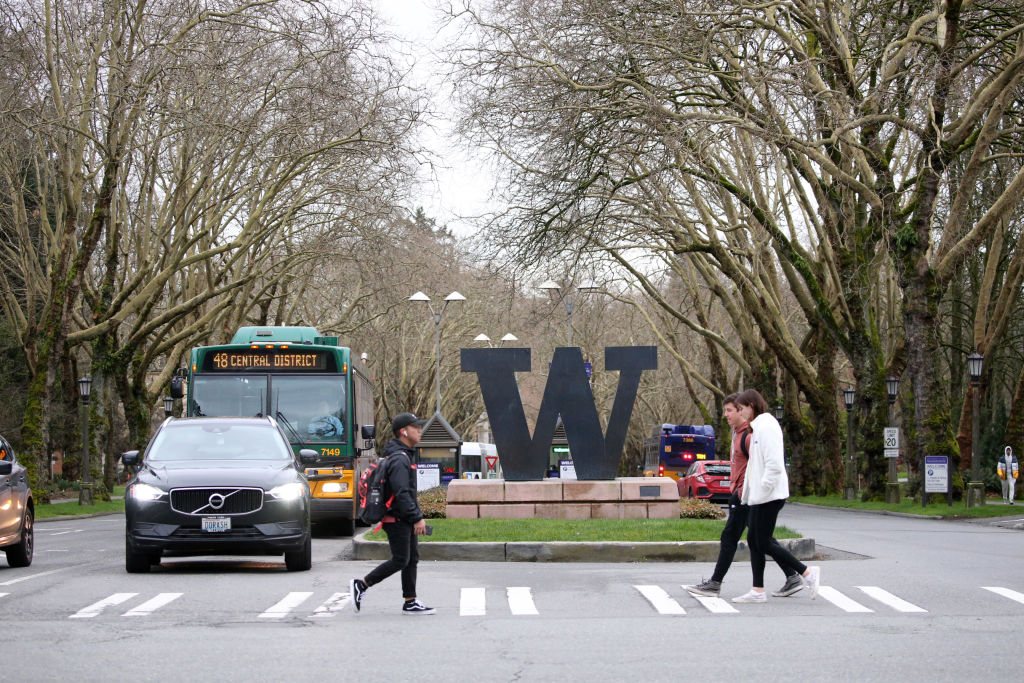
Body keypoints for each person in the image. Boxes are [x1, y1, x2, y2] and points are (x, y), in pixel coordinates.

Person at [684, 393, 804, 600]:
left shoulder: (750, 435)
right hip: (743, 494)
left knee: (733, 537)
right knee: (760, 539)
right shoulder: (739, 434)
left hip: (747, 495)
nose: (726, 415)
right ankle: (790, 576)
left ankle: (715, 583)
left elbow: (762, 465)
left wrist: (748, 491)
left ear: (742, 410)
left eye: (730, 410)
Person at [731, 389, 821, 603]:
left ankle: (806, 572)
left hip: (769, 495)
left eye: (742, 408)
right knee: (754, 540)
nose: (740, 413)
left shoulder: (767, 426)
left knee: (762, 541)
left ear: (752, 406)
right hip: (759, 496)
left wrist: (761, 490)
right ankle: (758, 590)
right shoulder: (758, 427)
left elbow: (774, 465)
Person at [350, 412, 434, 615]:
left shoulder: (402, 455)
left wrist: (414, 516)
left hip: (402, 517)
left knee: (411, 558)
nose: (419, 431)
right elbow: (402, 492)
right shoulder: (399, 459)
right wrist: (417, 517)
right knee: (401, 559)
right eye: (416, 427)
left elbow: (407, 493)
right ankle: (362, 584)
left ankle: (410, 601)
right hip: (396, 519)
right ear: (404, 431)